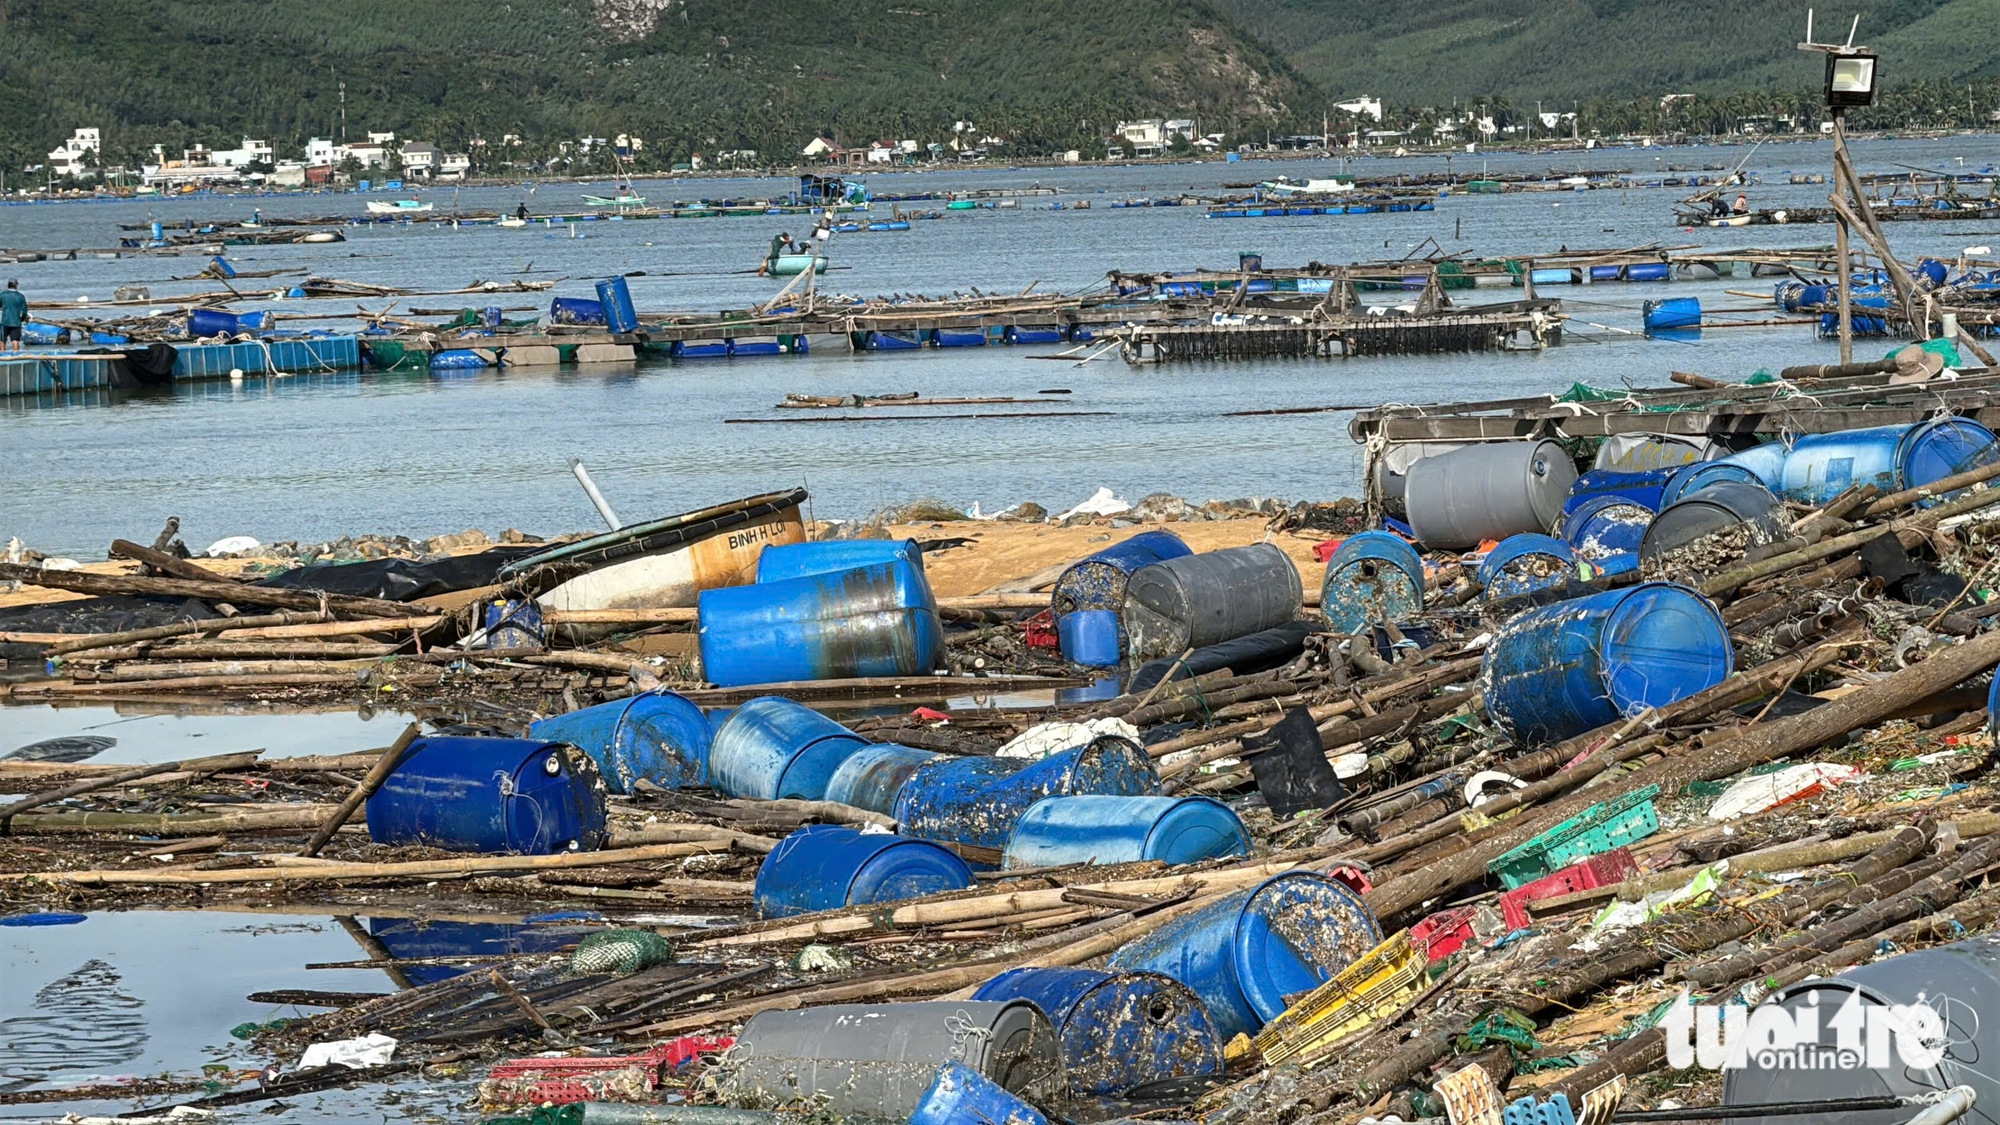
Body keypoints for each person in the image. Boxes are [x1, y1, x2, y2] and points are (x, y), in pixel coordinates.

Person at [0, 280, 25, 353]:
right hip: (16, 322)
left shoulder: (2, 295)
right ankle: (16, 356)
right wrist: (21, 319)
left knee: (2, 340)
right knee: (15, 341)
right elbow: (24, 312)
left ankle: (2, 357)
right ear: (16, 285)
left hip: (4, 321)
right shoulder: (20, 296)